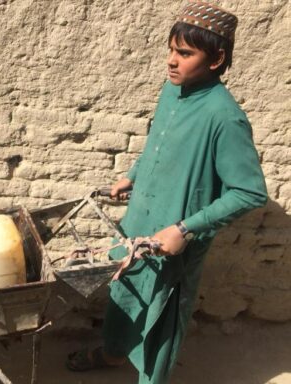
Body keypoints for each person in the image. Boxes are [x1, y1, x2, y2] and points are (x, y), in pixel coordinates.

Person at [66, 2, 268, 383]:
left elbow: (249, 192)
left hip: (171, 241)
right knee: (122, 297)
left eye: (185, 53)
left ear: (217, 58)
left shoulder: (224, 117)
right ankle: (111, 355)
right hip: (138, 224)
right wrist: (134, 176)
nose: (172, 61)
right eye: (171, 50)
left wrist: (185, 228)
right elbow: (157, 144)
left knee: (161, 319)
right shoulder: (171, 91)